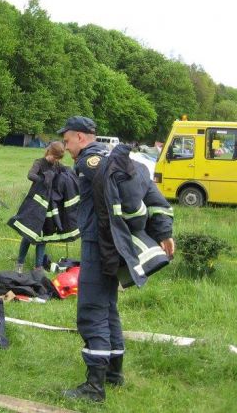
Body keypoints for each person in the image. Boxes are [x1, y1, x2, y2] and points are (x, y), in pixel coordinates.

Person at [59, 116, 174, 403]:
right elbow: (153, 194)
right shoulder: (126, 161)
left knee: (92, 310)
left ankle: (94, 388)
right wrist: (163, 231)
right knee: (109, 308)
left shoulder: (90, 163)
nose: (66, 147)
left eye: (68, 140)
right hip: (117, 247)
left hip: (98, 245)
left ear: (82, 138)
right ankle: (114, 373)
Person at [15, 142, 66, 272]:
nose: (55, 160)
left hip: (48, 206)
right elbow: (30, 175)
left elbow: (65, 173)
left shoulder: (57, 165)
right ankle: (19, 264)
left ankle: (38, 266)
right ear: (49, 151)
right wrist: (44, 179)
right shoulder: (39, 162)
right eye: (54, 157)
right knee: (29, 234)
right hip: (35, 204)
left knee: (44, 237)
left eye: (58, 159)